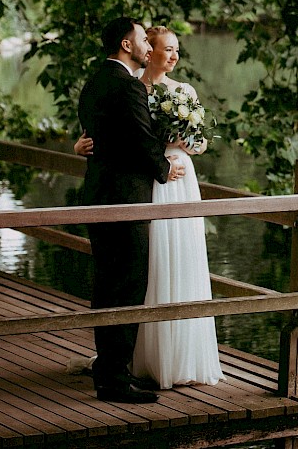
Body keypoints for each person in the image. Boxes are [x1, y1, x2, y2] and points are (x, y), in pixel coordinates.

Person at [75, 25, 223, 389]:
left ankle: (169, 355)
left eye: (177, 49)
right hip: (149, 184)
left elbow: (199, 142)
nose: (172, 55)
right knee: (137, 271)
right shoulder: (131, 86)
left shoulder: (181, 91)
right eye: (162, 47)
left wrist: (183, 143)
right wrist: (78, 147)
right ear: (146, 50)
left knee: (158, 266)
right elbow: (123, 136)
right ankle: (129, 362)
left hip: (175, 179)